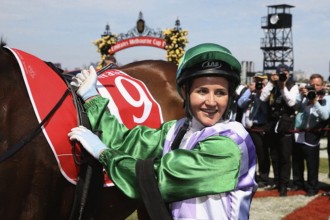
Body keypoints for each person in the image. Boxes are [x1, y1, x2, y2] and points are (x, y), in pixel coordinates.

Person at [68, 43, 257, 219]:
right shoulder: (179, 129)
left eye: (220, 93)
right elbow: (130, 141)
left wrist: (104, 154)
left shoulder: (230, 144)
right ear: (184, 92)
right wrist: (92, 98)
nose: (211, 102)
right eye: (202, 91)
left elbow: (158, 180)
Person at [259, 64, 299, 196]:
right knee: (274, 155)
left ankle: (284, 185)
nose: (283, 76)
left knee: (285, 156)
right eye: (280, 73)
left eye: (285, 73)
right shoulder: (273, 85)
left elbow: (291, 102)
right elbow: (262, 98)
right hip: (272, 124)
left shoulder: (293, 86)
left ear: (289, 73)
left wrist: (282, 88)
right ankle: (276, 181)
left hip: (285, 124)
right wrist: (271, 82)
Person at [292, 73, 330, 196]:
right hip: (300, 130)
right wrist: (300, 95)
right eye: (312, 84)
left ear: (323, 86)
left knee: (312, 163)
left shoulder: (327, 98)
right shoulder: (305, 95)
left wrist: (314, 101)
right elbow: (295, 106)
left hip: (313, 132)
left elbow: (325, 115)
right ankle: (298, 183)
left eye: (317, 85)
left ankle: (312, 187)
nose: (314, 87)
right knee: (297, 160)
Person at [238, 73, 270, 187]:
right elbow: (240, 103)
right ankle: (251, 175)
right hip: (247, 126)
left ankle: (264, 177)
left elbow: (266, 110)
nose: (258, 83)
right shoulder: (250, 90)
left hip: (260, 125)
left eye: (261, 81)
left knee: (262, 153)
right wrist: (250, 93)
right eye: (256, 80)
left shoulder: (266, 92)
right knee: (249, 153)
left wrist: (260, 94)